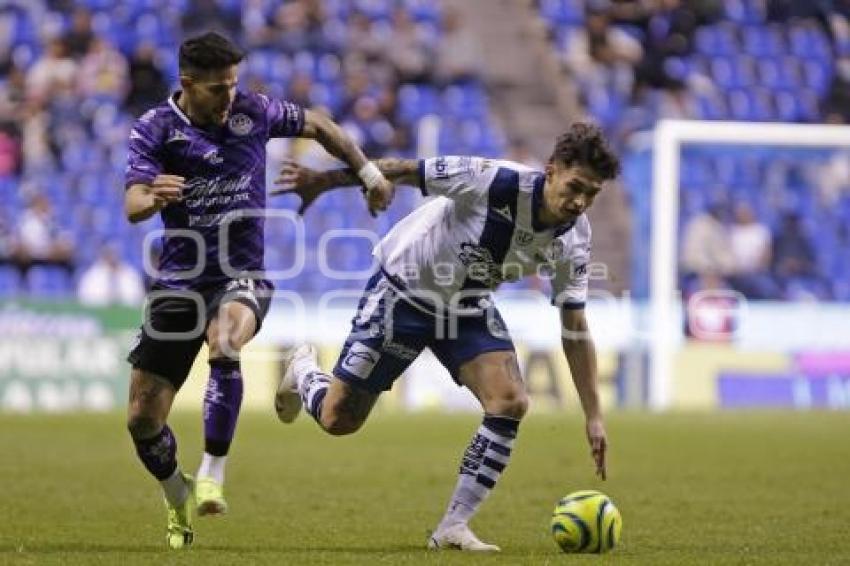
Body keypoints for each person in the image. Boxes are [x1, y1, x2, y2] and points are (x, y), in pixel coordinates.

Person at [273, 122, 618, 551]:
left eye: (592, 194)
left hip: (468, 308)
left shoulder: (575, 240)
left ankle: (453, 526)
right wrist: (323, 181)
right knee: (338, 420)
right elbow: (399, 169)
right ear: (551, 170)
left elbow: (574, 328)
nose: (580, 201)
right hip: (404, 292)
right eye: (576, 186)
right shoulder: (493, 179)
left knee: (510, 401)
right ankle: (304, 370)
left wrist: (594, 415)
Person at [123, 31, 393, 550]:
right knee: (140, 419)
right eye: (218, 88)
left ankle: (212, 471)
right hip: (179, 281)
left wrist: (368, 171)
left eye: (233, 84)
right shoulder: (154, 128)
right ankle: (176, 494)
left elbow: (318, 124)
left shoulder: (255, 110)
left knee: (226, 342)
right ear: (188, 84)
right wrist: (153, 197)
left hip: (240, 273)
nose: (230, 97)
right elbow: (132, 204)